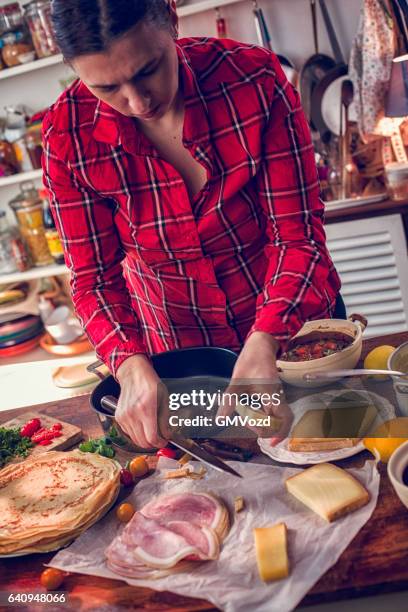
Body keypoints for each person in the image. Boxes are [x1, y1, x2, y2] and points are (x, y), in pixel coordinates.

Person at [43, 0, 343, 450]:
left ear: (171, 21)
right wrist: (129, 365)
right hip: (182, 362)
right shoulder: (68, 136)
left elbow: (297, 238)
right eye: (107, 87)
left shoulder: (252, 80)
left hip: (294, 334)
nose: (138, 101)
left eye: (149, 69)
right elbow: (94, 280)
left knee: (342, 454)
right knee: (216, 489)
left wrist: (265, 340)